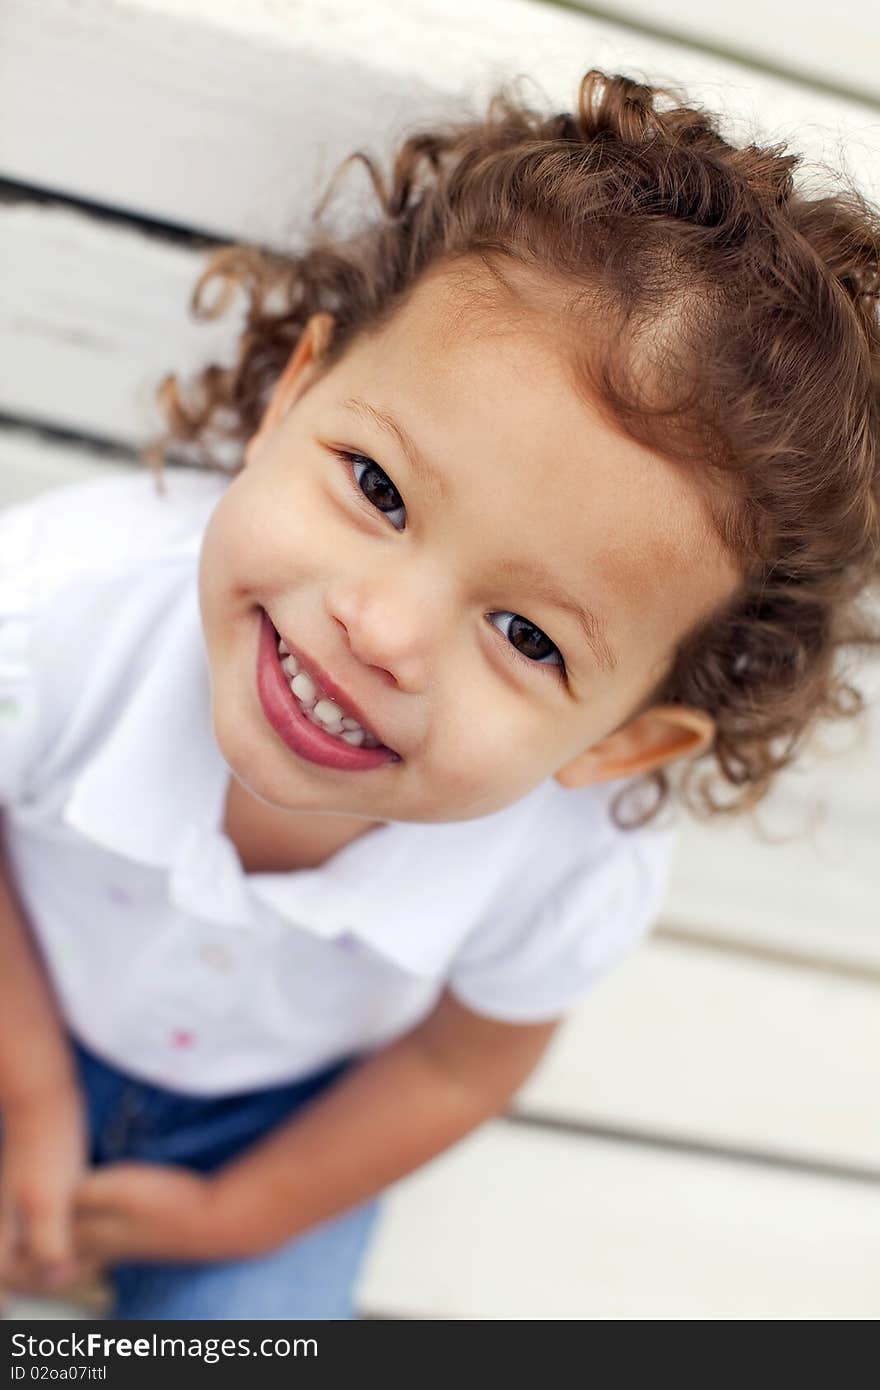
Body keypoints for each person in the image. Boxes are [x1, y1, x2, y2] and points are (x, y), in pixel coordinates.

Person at [0, 67, 878, 1320]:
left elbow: (460, 1067)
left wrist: (237, 1215)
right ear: (291, 398)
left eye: (525, 633)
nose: (385, 629)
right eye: (377, 487)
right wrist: (28, 1091)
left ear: (623, 739)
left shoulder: (569, 863)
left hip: (280, 1127)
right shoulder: (55, 616)